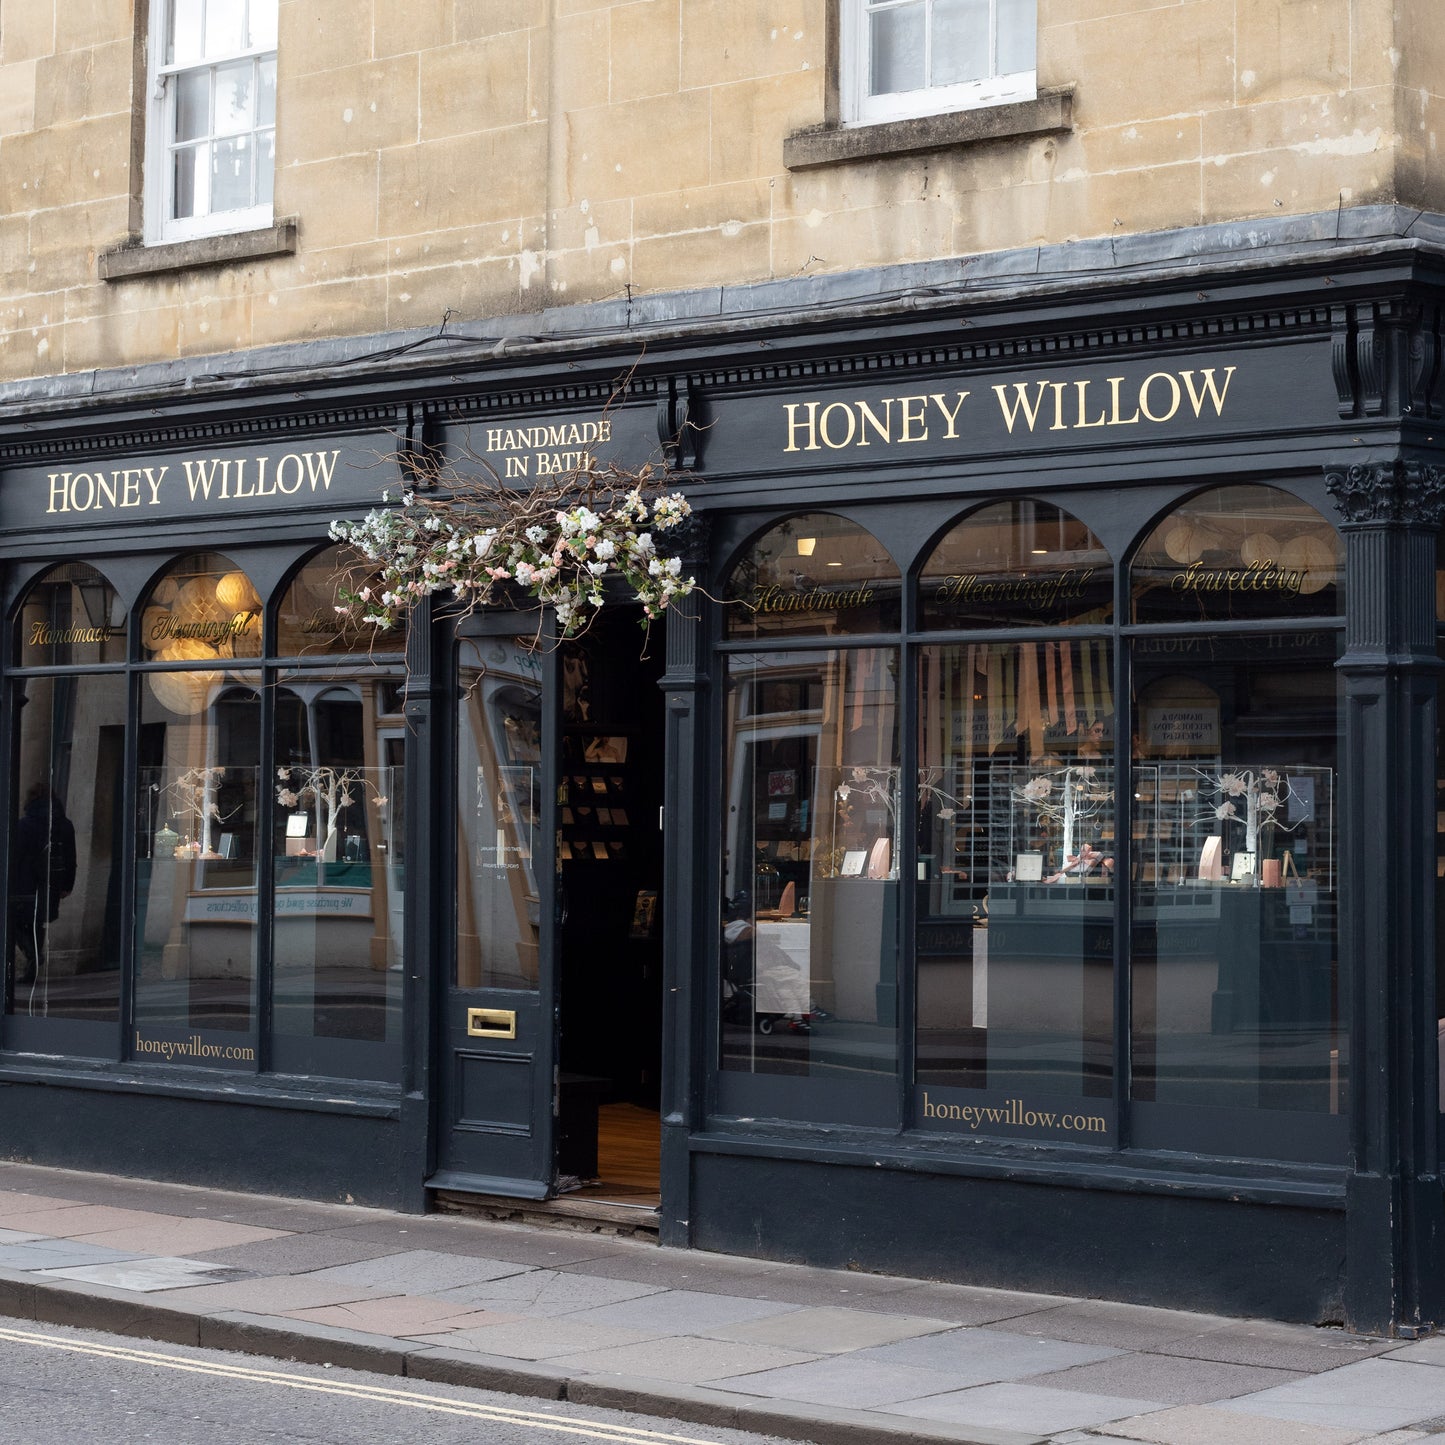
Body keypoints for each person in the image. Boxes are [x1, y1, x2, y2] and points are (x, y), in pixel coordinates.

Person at [10, 783, 77, 983]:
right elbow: (70, 857)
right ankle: (32, 966)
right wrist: (67, 885)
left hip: (25, 883)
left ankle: (32, 955)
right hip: (52, 883)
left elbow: (15, 856)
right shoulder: (65, 824)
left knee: (13, 921)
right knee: (38, 923)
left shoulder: (25, 825)